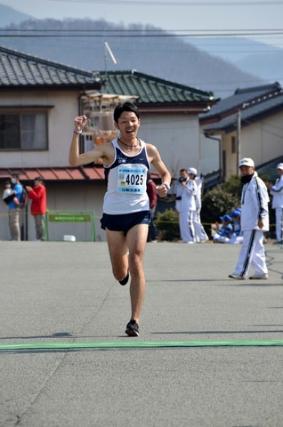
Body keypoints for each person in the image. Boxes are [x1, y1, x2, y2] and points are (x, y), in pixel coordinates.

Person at [69, 102, 171, 337]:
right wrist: (76, 132)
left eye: (132, 120)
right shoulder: (109, 150)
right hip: (114, 214)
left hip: (139, 212)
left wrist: (165, 184)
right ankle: (122, 273)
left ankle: (134, 320)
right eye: (124, 121)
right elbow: (74, 161)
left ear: (139, 122)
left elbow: (165, 172)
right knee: (119, 270)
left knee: (137, 258)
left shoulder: (149, 150)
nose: (129, 124)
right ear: (116, 125)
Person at [229, 157, 269, 280]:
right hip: (249, 221)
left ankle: (240, 272)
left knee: (247, 247)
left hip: (255, 222)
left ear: (253, 168)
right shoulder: (247, 183)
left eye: (247, 168)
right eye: (242, 168)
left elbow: (263, 201)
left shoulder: (256, 182)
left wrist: (261, 218)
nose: (244, 171)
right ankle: (261, 271)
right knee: (257, 247)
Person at [188, 167, 208, 243]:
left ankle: (203, 236)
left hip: (196, 202)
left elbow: (201, 178)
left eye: (190, 174)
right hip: (194, 202)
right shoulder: (193, 180)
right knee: (194, 220)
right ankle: (198, 237)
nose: (188, 176)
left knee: (196, 220)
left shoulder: (197, 180)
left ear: (193, 175)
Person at [177, 168, 197, 243]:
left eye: (184, 174)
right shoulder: (180, 183)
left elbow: (192, 193)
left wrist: (185, 186)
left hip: (189, 206)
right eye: (181, 174)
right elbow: (179, 196)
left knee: (189, 222)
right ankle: (185, 238)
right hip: (182, 206)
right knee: (182, 223)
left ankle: (191, 238)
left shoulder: (191, 182)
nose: (182, 176)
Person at [25, 177, 47, 241]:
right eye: (35, 181)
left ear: (40, 182)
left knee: (41, 224)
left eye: (36, 181)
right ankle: (38, 237)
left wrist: (31, 190)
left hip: (40, 209)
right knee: (37, 225)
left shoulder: (42, 188)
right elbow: (31, 196)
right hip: (35, 209)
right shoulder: (35, 188)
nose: (35, 182)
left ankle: (43, 237)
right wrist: (28, 192)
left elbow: (37, 197)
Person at [6, 175, 25, 241]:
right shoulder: (14, 186)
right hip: (11, 207)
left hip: (15, 207)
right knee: (11, 223)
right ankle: (13, 237)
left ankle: (17, 238)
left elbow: (13, 194)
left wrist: (8, 195)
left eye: (12, 178)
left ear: (16, 178)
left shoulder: (18, 186)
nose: (12, 180)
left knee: (14, 222)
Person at [269, 163, 283, 244]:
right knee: (278, 222)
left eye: (281, 169)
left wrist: (272, 188)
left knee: (281, 222)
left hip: (281, 204)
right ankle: (279, 239)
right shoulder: (278, 180)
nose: (279, 171)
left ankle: (280, 239)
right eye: (279, 169)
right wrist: (273, 189)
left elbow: (279, 190)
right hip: (278, 204)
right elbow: (273, 192)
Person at [146, 173, 158, 242]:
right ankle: (149, 238)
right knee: (148, 222)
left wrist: (151, 206)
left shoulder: (151, 184)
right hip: (148, 205)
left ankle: (154, 237)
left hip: (150, 206)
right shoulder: (147, 184)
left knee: (151, 222)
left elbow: (153, 196)